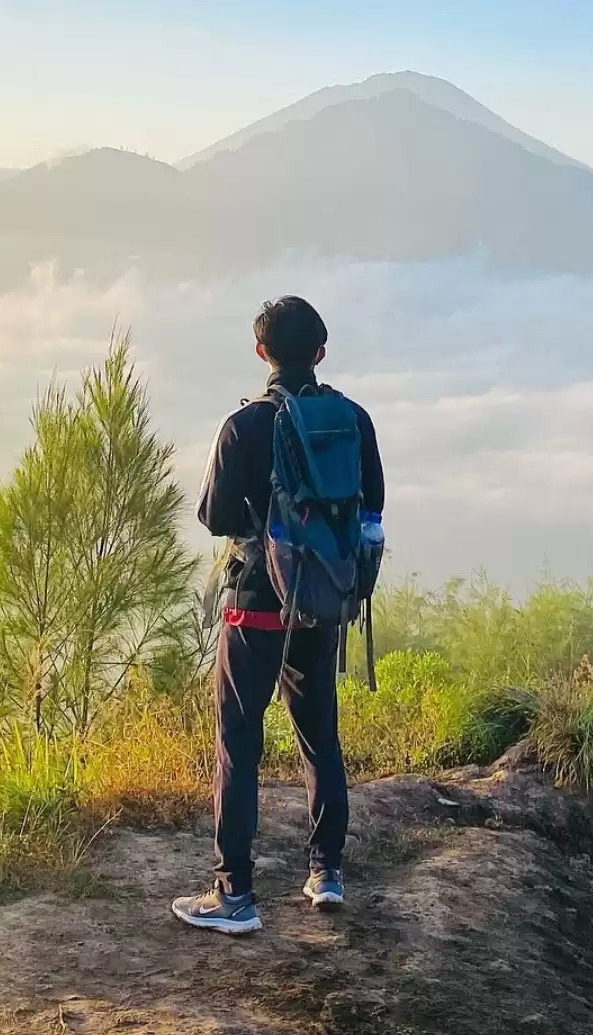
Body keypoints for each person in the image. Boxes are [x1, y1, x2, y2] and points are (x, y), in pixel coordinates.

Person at [172, 295, 384, 935]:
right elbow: (371, 506)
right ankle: (327, 874)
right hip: (321, 606)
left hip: (256, 607)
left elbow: (216, 518)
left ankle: (234, 895)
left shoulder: (243, 427)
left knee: (239, 742)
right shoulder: (353, 419)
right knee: (321, 737)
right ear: (321, 352)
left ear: (261, 352)